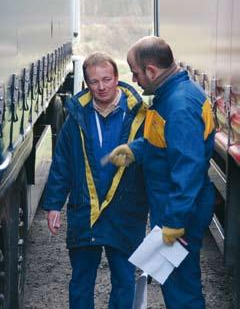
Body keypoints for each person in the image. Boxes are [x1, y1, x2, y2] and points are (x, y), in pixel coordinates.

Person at [109, 36, 216, 309]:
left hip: (179, 212)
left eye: (135, 73)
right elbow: (164, 143)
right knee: (177, 283)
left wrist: (175, 220)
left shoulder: (179, 107)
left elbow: (188, 168)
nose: (134, 80)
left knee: (182, 290)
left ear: (152, 71)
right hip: (173, 207)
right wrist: (136, 149)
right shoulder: (171, 96)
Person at [42, 52, 148, 309]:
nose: (101, 87)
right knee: (81, 282)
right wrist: (54, 205)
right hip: (85, 211)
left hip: (125, 213)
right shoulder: (77, 118)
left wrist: (161, 210)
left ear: (117, 78)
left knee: (124, 281)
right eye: (94, 82)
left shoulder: (140, 117)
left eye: (106, 79)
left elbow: (155, 166)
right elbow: (62, 163)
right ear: (86, 84)